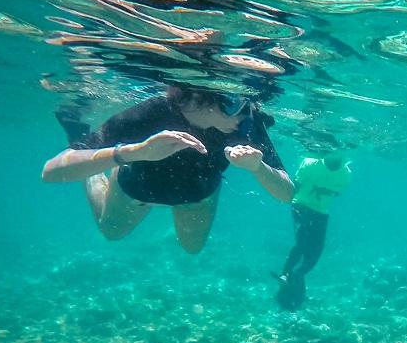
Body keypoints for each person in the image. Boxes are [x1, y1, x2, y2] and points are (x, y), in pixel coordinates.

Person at [42, 86, 294, 253]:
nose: (245, 112)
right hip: (136, 189)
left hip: (197, 195)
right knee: (111, 232)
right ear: (199, 97)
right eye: (232, 103)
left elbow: (287, 193)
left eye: (247, 101)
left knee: (193, 248)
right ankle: (95, 169)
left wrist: (258, 168)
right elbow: (51, 172)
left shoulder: (244, 122)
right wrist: (133, 152)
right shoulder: (151, 112)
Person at [275, 151, 352, 310]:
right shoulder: (311, 163)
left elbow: (336, 192)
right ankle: (288, 274)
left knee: (314, 252)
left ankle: (292, 277)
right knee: (304, 246)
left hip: (320, 212)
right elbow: (295, 185)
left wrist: (320, 191)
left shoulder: (345, 172)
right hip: (302, 207)